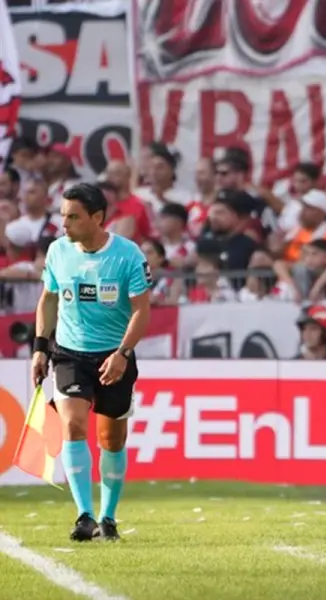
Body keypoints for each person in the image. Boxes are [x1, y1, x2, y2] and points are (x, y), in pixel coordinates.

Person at [31, 183, 152, 542]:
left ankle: (108, 517)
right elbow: (48, 300)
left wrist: (122, 354)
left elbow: (142, 311)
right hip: (69, 353)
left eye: (73, 216)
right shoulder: (58, 251)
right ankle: (84, 515)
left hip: (115, 355)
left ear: (97, 218)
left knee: (111, 439)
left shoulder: (128, 256)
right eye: (62, 215)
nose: (63, 224)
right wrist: (40, 348)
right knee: (73, 425)